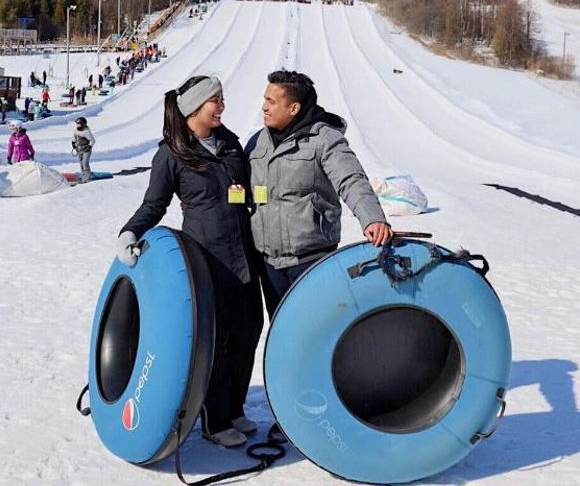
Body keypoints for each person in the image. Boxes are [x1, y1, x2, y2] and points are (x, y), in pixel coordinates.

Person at [117, 75, 263, 448]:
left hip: (245, 257)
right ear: (194, 107)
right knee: (217, 340)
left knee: (248, 332)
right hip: (207, 261)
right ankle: (215, 420)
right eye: (215, 100)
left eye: (222, 98)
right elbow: (154, 204)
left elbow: (247, 191)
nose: (222, 106)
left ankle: (235, 408)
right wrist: (130, 232)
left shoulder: (229, 143)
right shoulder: (172, 154)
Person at [246, 70, 392, 317]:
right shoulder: (257, 143)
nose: (264, 107)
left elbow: (351, 179)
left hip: (311, 261)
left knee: (315, 326)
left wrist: (372, 218)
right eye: (264, 99)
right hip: (269, 263)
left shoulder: (323, 139)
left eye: (271, 101)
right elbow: (237, 185)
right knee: (282, 329)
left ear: (293, 108)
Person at [71, 117, 95, 183]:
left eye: (79, 124)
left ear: (83, 124)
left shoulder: (86, 132)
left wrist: (89, 147)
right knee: (81, 165)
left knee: (85, 164)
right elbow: (74, 138)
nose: (78, 125)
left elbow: (92, 141)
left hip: (86, 150)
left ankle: (88, 179)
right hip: (79, 150)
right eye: (77, 124)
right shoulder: (75, 131)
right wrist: (73, 143)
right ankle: (84, 178)